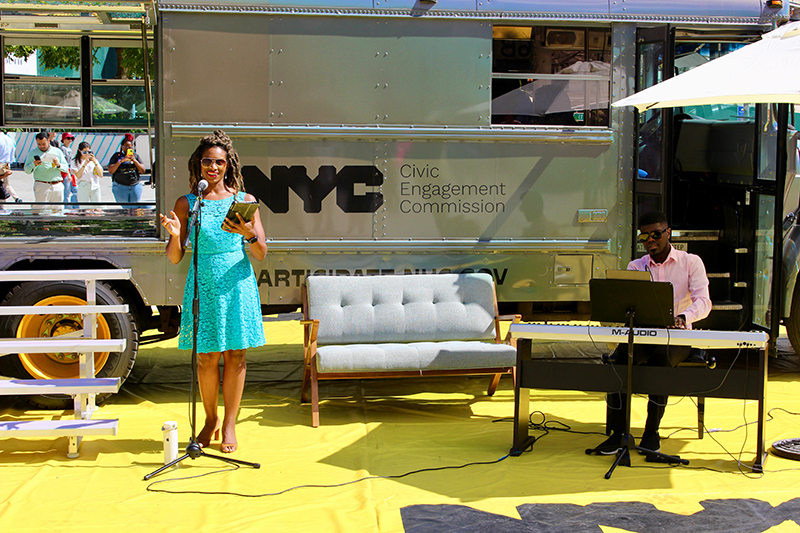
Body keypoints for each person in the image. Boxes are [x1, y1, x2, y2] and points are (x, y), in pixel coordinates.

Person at [159, 130, 267, 453]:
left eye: (219, 162)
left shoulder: (244, 201)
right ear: (199, 164)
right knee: (206, 357)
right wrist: (177, 234)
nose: (213, 167)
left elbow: (261, 252)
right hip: (203, 282)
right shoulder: (188, 203)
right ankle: (210, 419)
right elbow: (175, 256)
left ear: (227, 165)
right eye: (207, 161)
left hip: (236, 283)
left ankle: (231, 423)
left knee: (236, 354)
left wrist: (249, 233)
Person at [591, 210, 712, 455]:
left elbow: (704, 302)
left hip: (677, 336)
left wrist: (683, 317)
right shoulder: (635, 266)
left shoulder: (691, 262)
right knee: (618, 361)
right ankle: (618, 434)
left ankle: (651, 431)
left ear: (668, 233)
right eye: (644, 236)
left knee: (661, 361)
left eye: (655, 234)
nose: (650, 240)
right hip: (644, 334)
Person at [23, 131, 69, 215]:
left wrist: (58, 164)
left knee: (58, 210)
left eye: (43, 144)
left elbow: (66, 168)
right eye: (39, 144)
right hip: (42, 185)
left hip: (57, 185)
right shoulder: (33, 153)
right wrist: (34, 164)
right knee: (42, 211)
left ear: (48, 141)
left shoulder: (57, 151)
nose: (41, 146)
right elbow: (26, 170)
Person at [107, 133, 146, 205]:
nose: (129, 149)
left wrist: (134, 161)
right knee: (124, 208)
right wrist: (120, 161)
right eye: (126, 147)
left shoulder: (136, 156)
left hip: (135, 185)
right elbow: (111, 170)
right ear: (122, 147)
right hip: (120, 186)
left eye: (130, 147)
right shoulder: (117, 156)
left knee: (134, 207)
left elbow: (143, 170)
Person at [71, 141, 103, 210]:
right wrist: (84, 164)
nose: (86, 154)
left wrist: (95, 162)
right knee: (84, 208)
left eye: (88, 152)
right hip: (83, 185)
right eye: (84, 152)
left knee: (97, 208)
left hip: (95, 185)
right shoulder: (75, 161)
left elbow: (100, 174)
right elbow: (78, 175)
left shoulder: (94, 160)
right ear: (79, 151)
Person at [60, 132, 78, 206]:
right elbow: (64, 163)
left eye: (71, 138)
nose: (70, 140)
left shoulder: (69, 149)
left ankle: (74, 207)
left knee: (75, 190)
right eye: (68, 138)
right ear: (63, 140)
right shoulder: (62, 149)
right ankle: (66, 209)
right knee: (66, 192)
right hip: (65, 173)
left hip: (70, 172)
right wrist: (68, 173)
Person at [0, 131, 17, 205]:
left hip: (0, 163)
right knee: (4, 185)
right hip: (6, 164)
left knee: (2, 185)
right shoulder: (9, 139)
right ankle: (3, 205)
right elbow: (12, 154)